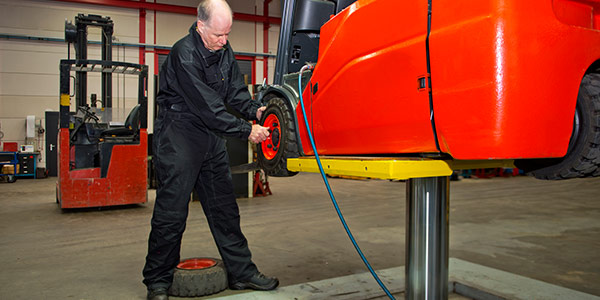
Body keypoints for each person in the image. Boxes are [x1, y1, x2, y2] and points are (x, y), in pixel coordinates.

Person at [142, 1, 277, 299]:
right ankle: (158, 281)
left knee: (225, 210)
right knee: (172, 213)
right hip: (179, 135)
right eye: (218, 34)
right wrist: (246, 130)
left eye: (228, 34)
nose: (224, 41)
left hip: (210, 137)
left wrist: (256, 111)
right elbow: (209, 108)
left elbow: (234, 94)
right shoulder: (183, 55)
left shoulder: (223, 51)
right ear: (200, 25)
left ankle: (242, 273)